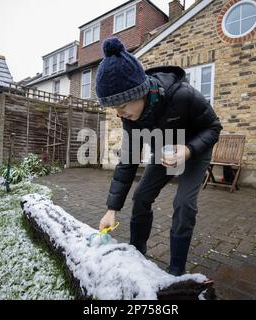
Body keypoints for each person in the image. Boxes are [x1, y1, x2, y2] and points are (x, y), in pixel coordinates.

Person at [96, 37, 223, 276]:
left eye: (121, 105)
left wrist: (188, 150)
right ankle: (137, 253)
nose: (119, 113)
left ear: (140, 92)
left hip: (195, 151)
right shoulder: (130, 118)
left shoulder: (183, 95)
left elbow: (214, 127)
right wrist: (112, 209)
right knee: (141, 196)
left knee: (184, 204)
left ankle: (176, 271)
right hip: (164, 153)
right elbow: (128, 161)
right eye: (114, 108)